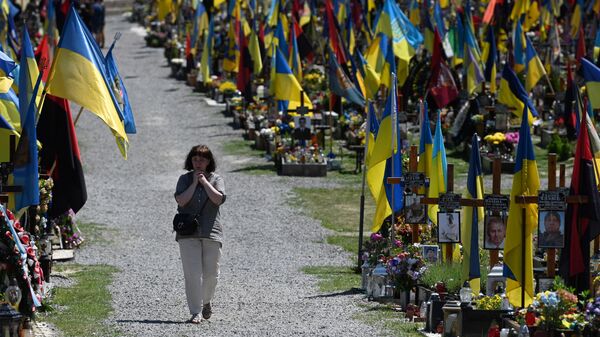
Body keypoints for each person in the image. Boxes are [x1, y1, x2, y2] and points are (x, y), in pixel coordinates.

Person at [174, 145, 226, 324]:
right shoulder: (184, 179)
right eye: (195, 159)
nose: (198, 163)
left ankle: (206, 301)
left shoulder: (216, 179)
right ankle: (196, 311)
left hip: (212, 232)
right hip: (187, 233)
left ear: (209, 162)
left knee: (212, 274)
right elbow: (181, 200)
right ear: (191, 161)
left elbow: (218, 199)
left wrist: (205, 183)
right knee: (192, 274)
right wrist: (195, 183)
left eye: (202, 159)